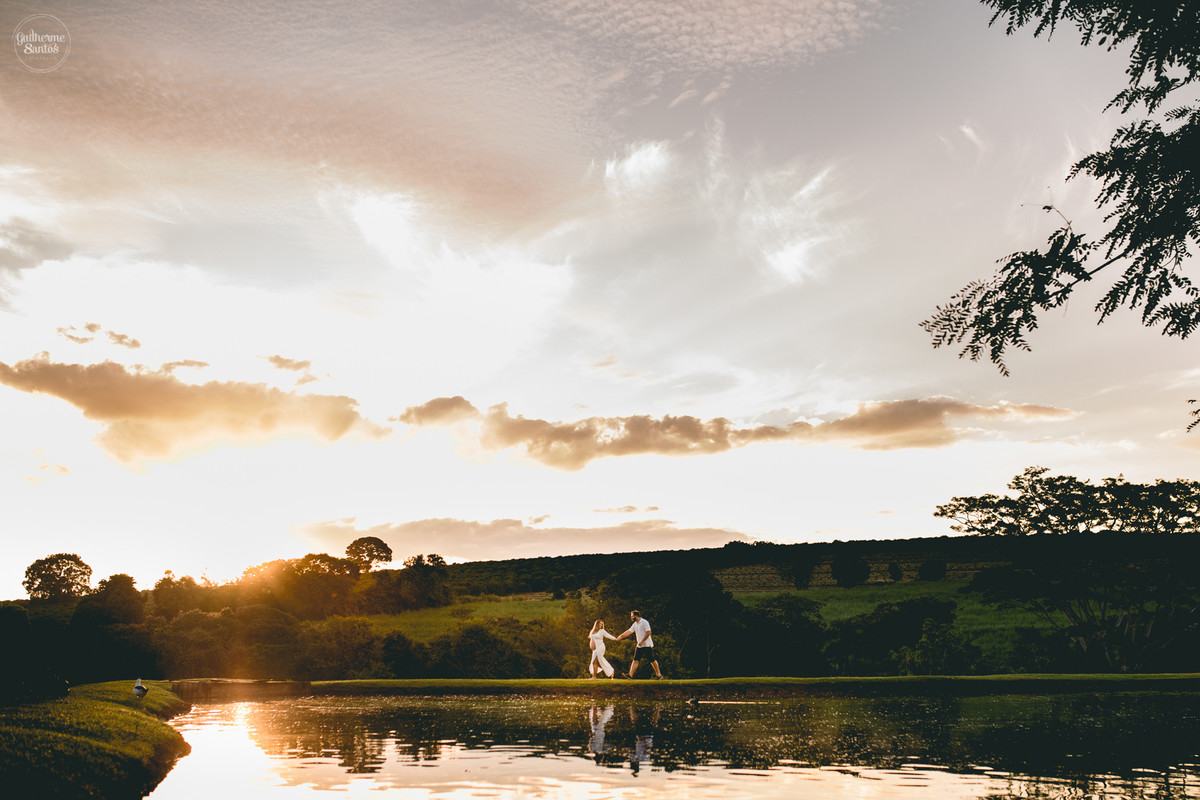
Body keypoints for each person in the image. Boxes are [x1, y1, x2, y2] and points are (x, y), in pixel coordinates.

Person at [616, 609, 662, 679]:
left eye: (632, 616)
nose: (631, 618)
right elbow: (629, 631)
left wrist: (642, 641)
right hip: (639, 646)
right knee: (635, 660)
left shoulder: (644, 622)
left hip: (647, 645)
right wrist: (621, 636)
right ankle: (630, 675)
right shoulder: (635, 624)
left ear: (636, 615)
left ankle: (659, 675)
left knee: (652, 660)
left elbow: (649, 632)